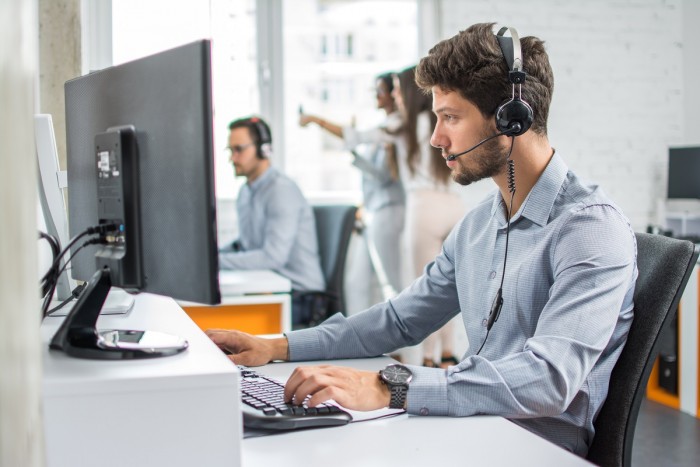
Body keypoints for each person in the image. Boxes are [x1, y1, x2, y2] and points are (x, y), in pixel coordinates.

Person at [206, 24, 637, 457]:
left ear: (511, 117)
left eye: (450, 117)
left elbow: (548, 380)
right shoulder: (478, 226)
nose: (436, 138)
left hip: (531, 450)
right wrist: (276, 346)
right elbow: (398, 321)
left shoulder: (589, 229)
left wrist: (390, 386)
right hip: (470, 430)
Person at [299, 73, 405, 308]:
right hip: (372, 212)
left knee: (392, 282)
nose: (376, 96)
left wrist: (318, 121)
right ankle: (358, 342)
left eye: (381, 90)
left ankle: (408, 344)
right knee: (356, 282)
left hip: (388, 210)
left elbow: (384, 175)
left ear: (394, 95)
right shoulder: (383, 129)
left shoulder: (396, 128)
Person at [392, 66, 467, 368]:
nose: (395, 95)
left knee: (423, 289)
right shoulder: (443, 122)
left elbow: (354, 135)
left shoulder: (402, 124)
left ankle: (426, 360)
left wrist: (316, 121)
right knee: (449, 287)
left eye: (398, 89)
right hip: (454, 205)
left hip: (424, 206)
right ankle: (448, 354)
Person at [219, 116, 325, 326]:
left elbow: (272, 257)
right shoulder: (245, 192)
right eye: (230, 151)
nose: (233, 158)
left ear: (263, 150)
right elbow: (246, 244)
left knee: (228, 329)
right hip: (268, 287)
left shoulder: (281, 191)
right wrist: (211, 256)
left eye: (239, 149)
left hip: (300, 297)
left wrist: (215, 263)